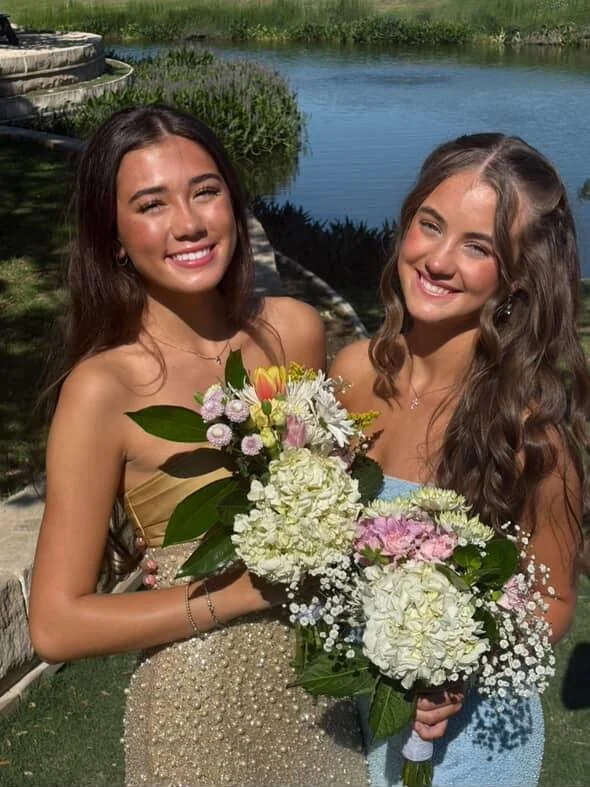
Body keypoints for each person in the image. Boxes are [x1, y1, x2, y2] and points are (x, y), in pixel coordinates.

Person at [28, 104, 370, 787]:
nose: (188, 223)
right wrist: (237, 594)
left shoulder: (294, 333)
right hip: (199, 708)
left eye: (205, 191)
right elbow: (56, 624)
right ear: (114, 237)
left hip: (321, 685)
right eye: (151, 204)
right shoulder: (104, 388)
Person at [330, 132, 589, 787]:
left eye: (478, 247)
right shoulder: (353, 374)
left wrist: (458, 662)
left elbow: (554, 599)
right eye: (430, 225)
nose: (438, 260)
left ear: (519, 275)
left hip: (468, 745)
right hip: (355, 715)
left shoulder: (531, 430)